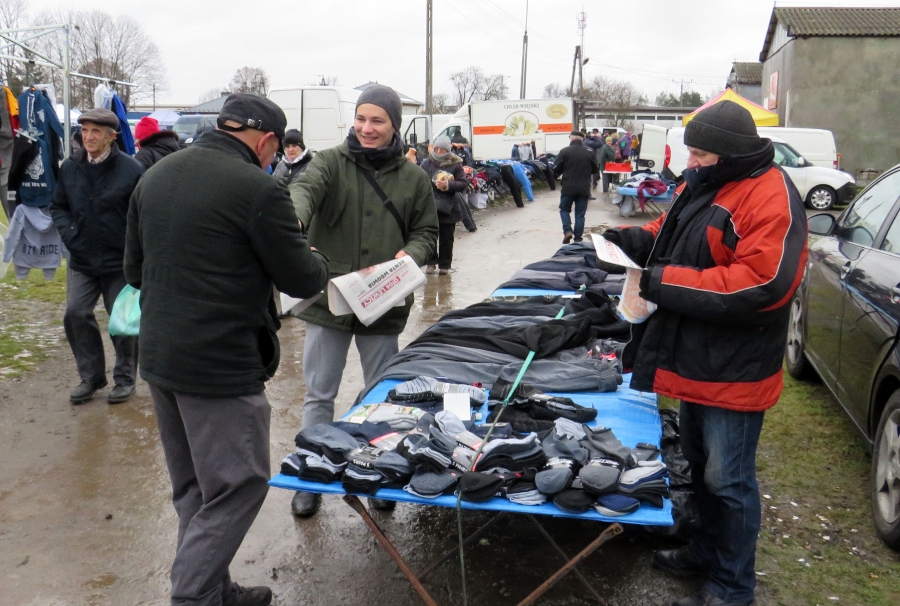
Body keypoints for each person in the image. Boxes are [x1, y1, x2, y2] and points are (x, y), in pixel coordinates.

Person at [124, 93, 329, 606]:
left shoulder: (155, 175)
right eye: (274, 152)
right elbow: (301, 277)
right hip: (220, 364)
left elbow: (133, 271)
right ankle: (193, 596)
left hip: (160, 357)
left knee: (196, 487)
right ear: (266, 141)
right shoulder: (257, 188)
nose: (273, 160)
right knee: (240, 484)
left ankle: (216, 590)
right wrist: (315, 258)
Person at [601, 100, 808, 606]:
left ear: (729, 153)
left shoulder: (771, 196)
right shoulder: (706, 181)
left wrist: (660, 282)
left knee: (728, 479)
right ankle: (704, 550)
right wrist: (628, 240)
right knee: (698, 464)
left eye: (699, 154)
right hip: (696, 359)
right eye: (689, 151)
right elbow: (668, 232)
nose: (689, 162)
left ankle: (732, 587)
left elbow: (761, 285)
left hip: (735, 369)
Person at [289, 84, 438, 517]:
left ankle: (379, 472)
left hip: (383, 300)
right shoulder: (328, 162)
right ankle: (311, 473)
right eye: (360, 118)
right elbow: (304, 190)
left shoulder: (414, 178)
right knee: (320, 394)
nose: (366, 128)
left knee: (380, 395)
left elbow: (427, 232)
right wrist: (292, 219)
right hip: (329, 299)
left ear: (395, 125)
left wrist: (412, 254)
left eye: (377, 120)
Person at [50, 109, 144, 405]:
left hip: (119, 261)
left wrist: (135, 248)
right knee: (75, 313)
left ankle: (125, 379)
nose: (88, 137)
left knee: (121, 321)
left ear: (111, 136)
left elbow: (142, 213)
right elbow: (58, 206)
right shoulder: (70, 166)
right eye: (84, 131)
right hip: (83, 258)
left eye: (95, 132)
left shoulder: (131, 169)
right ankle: (91, 376)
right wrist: (70, 234)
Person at [419, 134, 467, 275]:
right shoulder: (426, 163)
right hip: (429, 206)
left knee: (447, 238)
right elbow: (419, 181)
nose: (439, 152)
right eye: (437, 149)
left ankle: (445, 265)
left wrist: (448, 185)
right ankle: (431, 263)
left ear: (448, 150)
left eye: (443, 150)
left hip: (448, 207)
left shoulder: (456, 164)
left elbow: (463, 183)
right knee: (430, 236)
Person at [552, 130, 598, 244]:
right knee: (580, 214)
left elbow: (556, 168)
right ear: (582, 139)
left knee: (564, 210)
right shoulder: (590, 151)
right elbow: (595, 169)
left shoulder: (564, 151)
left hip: (568, 187)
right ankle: (578, 238)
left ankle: (567, 231)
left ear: (571, 139)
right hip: (584, 188)